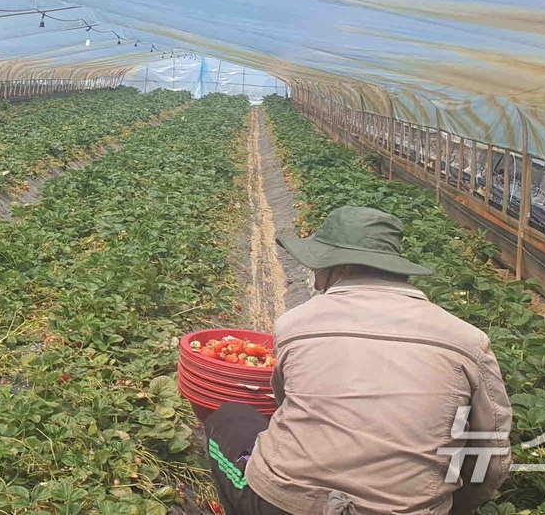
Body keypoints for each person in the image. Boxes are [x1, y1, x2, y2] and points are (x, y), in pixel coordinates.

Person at [205, 206, 512, 515]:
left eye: (319, 270)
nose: (315, 282)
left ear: (340, 270)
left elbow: (283, 409)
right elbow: (491, 456)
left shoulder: (296, 324)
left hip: (286, 506)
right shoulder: (466, 340)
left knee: (227, 420)